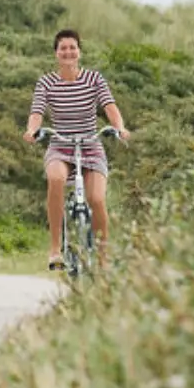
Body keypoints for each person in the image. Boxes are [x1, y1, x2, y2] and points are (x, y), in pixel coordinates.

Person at [23, 28, 131, 271]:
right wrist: (32, 130)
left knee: (96, 199)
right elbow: (37, 112)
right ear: (56, 54)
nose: (68, 52)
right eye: (63, 48)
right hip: (60, 145)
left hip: (91, 145)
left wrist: (120, 128)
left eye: (72, 47)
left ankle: (103, 258)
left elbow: (110, 107)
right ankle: (54, 249)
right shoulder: (46, 82)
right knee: (56, 178)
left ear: (79, 52)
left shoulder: (94, 79)